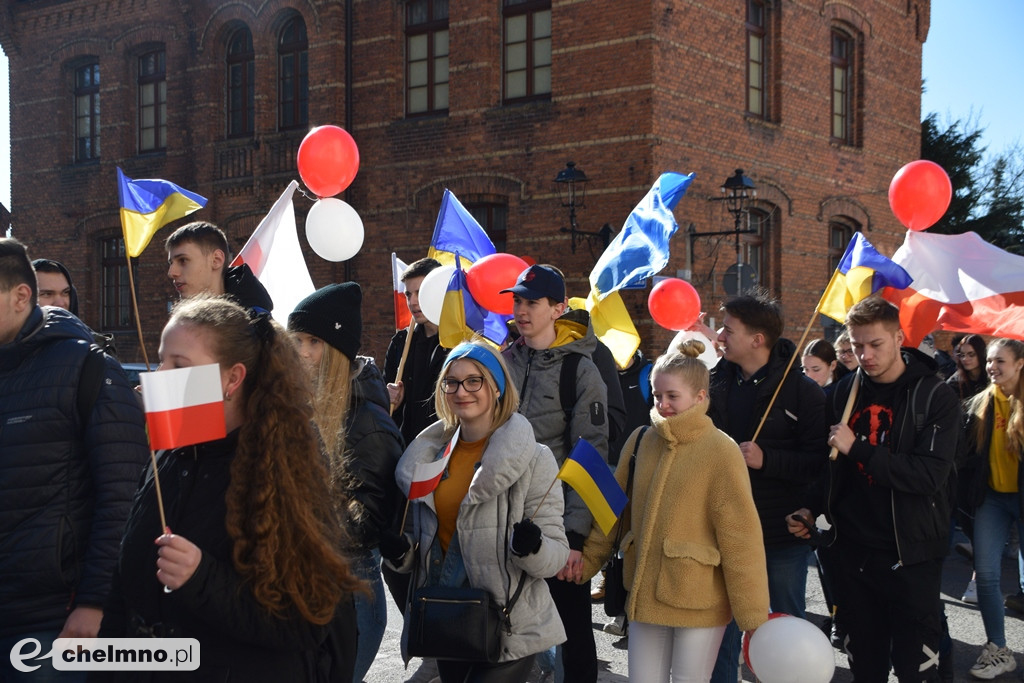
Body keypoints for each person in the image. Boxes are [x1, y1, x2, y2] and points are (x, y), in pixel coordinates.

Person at [98, 296, 361, 681]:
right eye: (161, 359)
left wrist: (202, 577)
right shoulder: (169, 457)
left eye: (179, 365)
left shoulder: (282, 468)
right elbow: (125, 590)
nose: (159, 375)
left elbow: (305, 622)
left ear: (232, 379)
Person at [788, 296, 960, 683]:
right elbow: (828, 468)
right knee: (865, 666)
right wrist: (808, 508)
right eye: (855, 346)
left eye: (875, 344)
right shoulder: (843, 393)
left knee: (916, 669)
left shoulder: (934, 396)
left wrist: (859, 448)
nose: (864, 355)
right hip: (851, 553)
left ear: (899, 337)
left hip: (910, 554)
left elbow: (927, 475)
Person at [0, 238, 149, 682]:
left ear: (20, 296)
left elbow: (123, 495)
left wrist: (93, 602)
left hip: (55, 620)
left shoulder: (86, 367)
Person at [581, 341, 770, 680]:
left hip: (699, 599)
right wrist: (586, 562)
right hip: (644, 592)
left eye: (672, 396)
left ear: (700, 397)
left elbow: (740, 538)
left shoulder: (721, 451)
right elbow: (613, 511)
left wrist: (753, 616)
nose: (662, 405)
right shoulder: (641, 440)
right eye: (656, 395)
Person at [391, 341, 569, 683]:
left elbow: (555, 556)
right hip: (448, 617)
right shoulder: (430, 460)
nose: (462, 391)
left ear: (497, 387)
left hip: (509, 625)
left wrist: (531, 547)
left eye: (475, 381)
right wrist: (401, 554)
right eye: (452, 382)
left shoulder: (535, 459)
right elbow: (426, 547)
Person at [288, 282, 405, 683]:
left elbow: (367, 522)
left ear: (337, 349)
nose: (302, 351)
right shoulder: (307, 404)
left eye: (314, 341)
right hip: (313, 582)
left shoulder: (368, 424)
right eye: (297, 339)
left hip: (351, 594)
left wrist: (297, 523)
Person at [708, 290, 827, 683]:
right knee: (719, 632)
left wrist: (767, 459)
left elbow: (817, 465)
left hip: (779, 534)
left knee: (784, 628)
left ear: (757, 339)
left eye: (728, 329)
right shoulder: (715, 383)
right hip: (724, 531)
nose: (720, 337)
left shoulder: (802, 391)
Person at [501, 264, 609, 683]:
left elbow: (591, 459)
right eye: (517, 301)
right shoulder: (502, 362)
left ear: (559, 307)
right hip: (503, 521)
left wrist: (576, 540)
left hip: (557, 527)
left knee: (573, 635)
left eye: (532, 302)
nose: (521, 310)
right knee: (506, 631)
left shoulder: (580, 371)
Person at [959, 339, 1023, 680]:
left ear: (1020, 364)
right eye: (990, 362)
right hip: (993, 500)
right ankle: (997, 649)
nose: (991, 367)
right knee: (985, 575)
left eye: (1000, 361)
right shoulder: (982, 403)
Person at [165, 221, 273, 312]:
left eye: (183, 260)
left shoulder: (257, 329)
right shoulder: (180, 328)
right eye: (171, 263)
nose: (171, 273)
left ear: (216, 260)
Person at [948, 334, 990, 401]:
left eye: (971, 354)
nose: (965, 359)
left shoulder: (991, 377)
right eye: (962, 355)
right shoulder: (955, 383)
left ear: (981, 354)